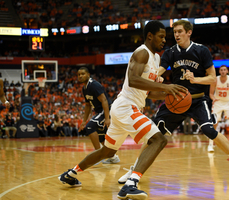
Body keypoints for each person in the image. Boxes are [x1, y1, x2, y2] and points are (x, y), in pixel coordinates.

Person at [58, 20, 187, 200]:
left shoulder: (156, 58)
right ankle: (131, 184)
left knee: (108, 151)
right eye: (161, 36)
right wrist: (167, 87)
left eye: (165, 37)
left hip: (125, 109)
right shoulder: (142, 53)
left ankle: (71, 174)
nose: (165, 40)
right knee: (159, 140)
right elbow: (133, 80)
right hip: (126, 107)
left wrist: (171, 94)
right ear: (150, 36)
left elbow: (148, 92)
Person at [119, 20, 229, 184]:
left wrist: (195, 79)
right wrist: (156, 77)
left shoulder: (201, 50)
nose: (176, 35)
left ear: (189, 32)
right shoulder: (170, 52)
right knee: (153, 135)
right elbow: (159, 71)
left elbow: (212, 77)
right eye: (174, 32)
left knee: (209, 130)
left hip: (197, 99)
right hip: (176, 99)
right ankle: (134, 169)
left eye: (179, 31)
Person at [77, 66, 119, 164]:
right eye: (79, 75)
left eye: (83, 74)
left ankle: (97, 156)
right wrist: (83, 121)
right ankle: (113, 157)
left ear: (88, 74)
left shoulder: (94, 85)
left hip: (107, 109)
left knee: (90, 127)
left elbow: (104, 100)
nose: (80, 76)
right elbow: (88, 106)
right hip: (100, 112)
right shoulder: (85, 88)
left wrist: (107, 117)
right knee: (101, 136)